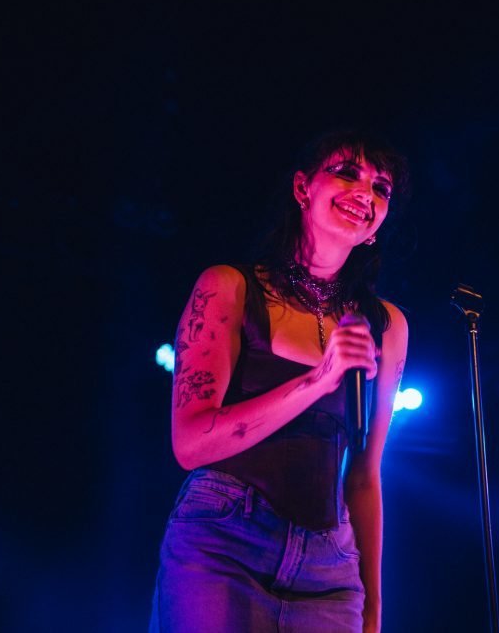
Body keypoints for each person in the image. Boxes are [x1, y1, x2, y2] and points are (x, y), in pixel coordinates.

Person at [150, 131, 410, 632]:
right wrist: (319, 380)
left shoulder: (386, 326)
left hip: (331, 568)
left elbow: (364, 475)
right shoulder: (228, 287)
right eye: (347, 173)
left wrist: (373, 608)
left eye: (381, 188)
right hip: (225, 544)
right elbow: (190, 443)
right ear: (302, 188)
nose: (365, 193)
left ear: (377, 226)